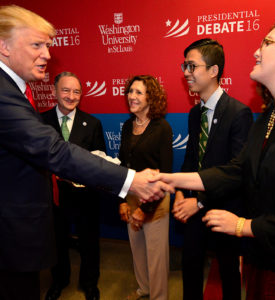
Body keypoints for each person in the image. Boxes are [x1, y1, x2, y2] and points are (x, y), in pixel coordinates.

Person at [0, 5, 172, 300]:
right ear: (4, 46)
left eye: (48, 46)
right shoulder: (4, 93)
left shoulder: (15, 91)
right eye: (36, 44)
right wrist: (131, 180)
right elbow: (54, 151)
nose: (47, 54)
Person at [155, 19, 275, 300]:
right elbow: (237, 169)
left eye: (267, 43)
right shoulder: (269, 116)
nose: (256, 52)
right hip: (262, 255)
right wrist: (169, 179)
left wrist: (241, 226)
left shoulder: (247, 114)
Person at [175, 39, 253, 300]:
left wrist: (197, 202)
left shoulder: (238, 112)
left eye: (191, 65)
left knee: (229, 272)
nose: (186, 72)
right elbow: (191, 159)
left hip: (224, 209)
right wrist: (179, 194)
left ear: (213, 70)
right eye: (184, 65)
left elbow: (236, 171)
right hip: (193, 208)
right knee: (191, 267)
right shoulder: (194, 114)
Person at [42, 72, 106, 300]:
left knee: (89, 242)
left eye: (76, 91)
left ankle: (90, 284)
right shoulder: (40, 121)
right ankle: (59, 281)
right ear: (54, 92)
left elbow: (101, 160)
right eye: (66, 90)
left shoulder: (93, 123)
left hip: (85, 196)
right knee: (57, 241)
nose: (71, 96)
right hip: (54, 197)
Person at [119, 75, 173, 300]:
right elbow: (123, 166)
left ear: (151, 97)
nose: (132, 96)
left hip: (155, 201)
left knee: (156, 257)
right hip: (131, 197)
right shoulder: (127, 126)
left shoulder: (162, 128)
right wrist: (122, 200)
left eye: (139, 92)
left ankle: (158, 296)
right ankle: (144, 289)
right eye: (131, 91)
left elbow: (165, 174)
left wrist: (145, 209)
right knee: (138, 251)